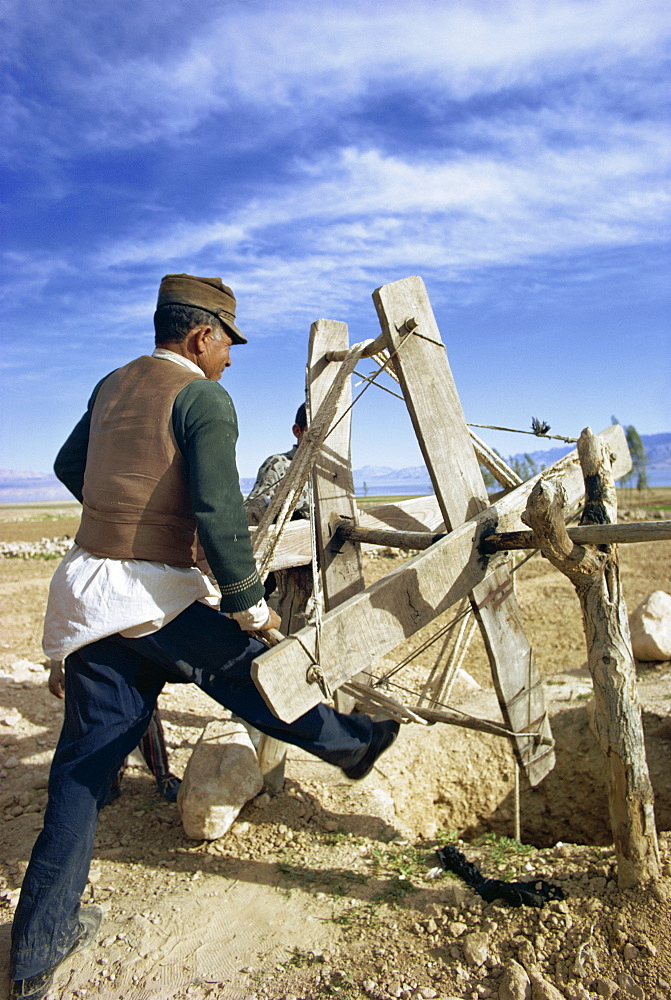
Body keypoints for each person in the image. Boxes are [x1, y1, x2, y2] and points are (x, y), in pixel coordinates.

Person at [9, 273, 398, 1000]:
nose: (229, 358)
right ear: (201, 335)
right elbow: (219, 511)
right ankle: (353, 747)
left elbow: (71, 467)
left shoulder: (111, 385)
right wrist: (250, 605)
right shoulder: (204, 398)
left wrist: (120, 515)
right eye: (227, 343)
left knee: (79, 775)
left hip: (88, 596)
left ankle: (36, 954)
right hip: (154, 596)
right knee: (255, 675)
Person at [48, 661, 181, 803]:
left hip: (135, 657)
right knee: (105, 717)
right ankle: (111, 780)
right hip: (92, 662)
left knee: (144, 712)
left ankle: (163, 775)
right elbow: (60, 638)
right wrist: (56, 666)